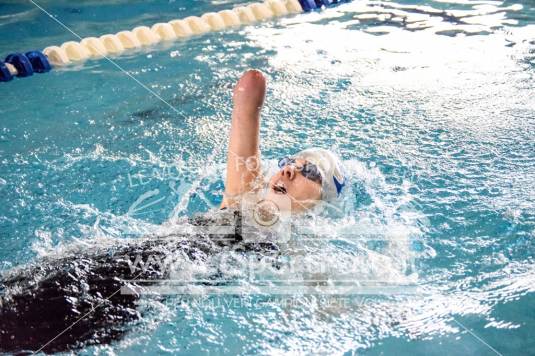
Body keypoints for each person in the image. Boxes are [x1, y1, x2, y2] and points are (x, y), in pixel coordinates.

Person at [221, 69, 346, 213]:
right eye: (288, 163)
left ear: (323, 198)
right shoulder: (241, 202)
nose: (288, 170)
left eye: (309, 171)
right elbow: (251, 82)